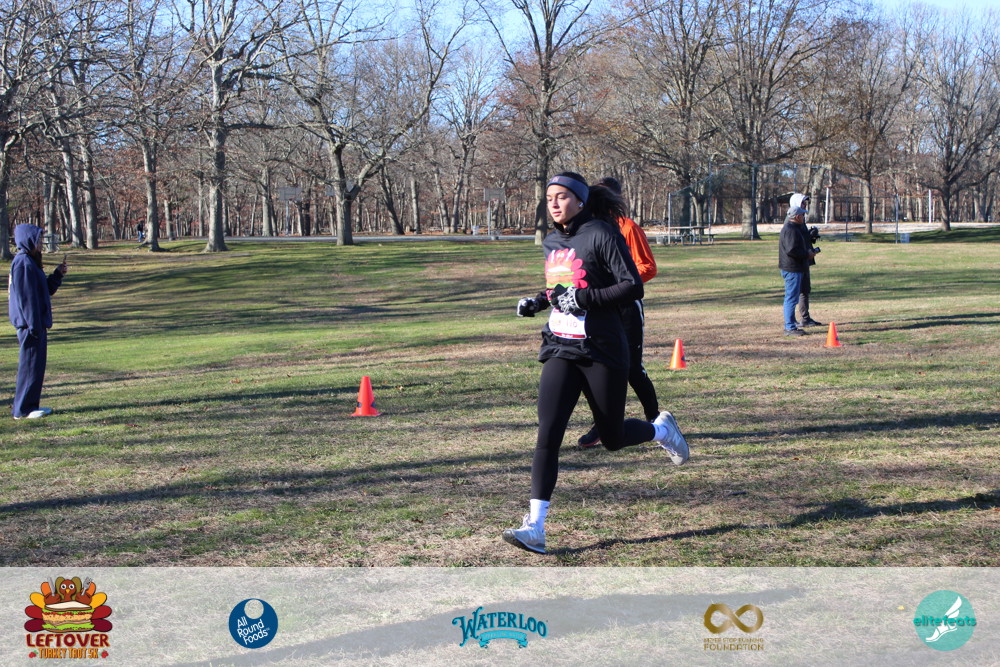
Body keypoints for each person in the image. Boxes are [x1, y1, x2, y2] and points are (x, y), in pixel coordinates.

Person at [504, 172, 689, 554]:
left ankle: (661, 431)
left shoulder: (603, 233)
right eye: (549, 198)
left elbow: (632, 286)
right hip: (560, 346)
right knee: (548, 433)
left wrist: (583, 300)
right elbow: (561, 287)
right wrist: (538, 301)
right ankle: (534, 527)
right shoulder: (552, 241)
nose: (554, 204)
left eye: (562, 197)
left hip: (602, 347)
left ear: (581, 200)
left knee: (613, 437)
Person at [577, 176, 661, 448]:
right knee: (599, 368)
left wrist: (619, 285)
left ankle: (657, 420)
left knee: (631, 368)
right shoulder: (586, 228)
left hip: (625, 307)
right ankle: (602, 424)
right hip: (598, 307)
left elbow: (648, 267)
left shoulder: (627, 227)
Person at [8, 224, 67, 419]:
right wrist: (33, 325)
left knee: (36, 367)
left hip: (37, 324)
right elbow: (26, 299)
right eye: (38, 239)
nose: (41, 243)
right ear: (28, 240)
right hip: (30, 325)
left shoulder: (31, 262)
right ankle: (22, 410)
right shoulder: (23, 263)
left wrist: (57, 275)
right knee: (29, 366)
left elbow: (44, 291)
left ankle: (31, 406)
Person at [779, 193, 819, 336]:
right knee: (791, 298)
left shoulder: (796, 227)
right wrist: (807, 254)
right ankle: (790, 327)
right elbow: (792, 250)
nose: (804, 216)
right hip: (793, 267)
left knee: (795, 295)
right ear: (796, 216)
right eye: (802, 214)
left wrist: (810, 237)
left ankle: (794, 323)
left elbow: (798, 244)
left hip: (797, 266)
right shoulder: (790, 228)